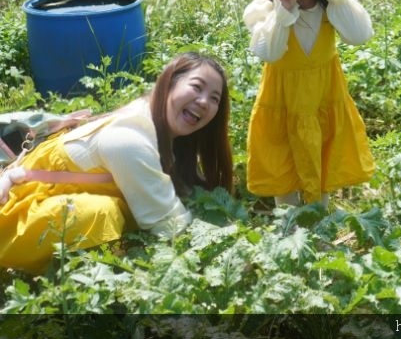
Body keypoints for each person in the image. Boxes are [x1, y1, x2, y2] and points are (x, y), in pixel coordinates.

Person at [0, 52, 233, 273]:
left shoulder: (156, 123)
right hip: (12, 221)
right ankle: (91, 282)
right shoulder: (131, 140)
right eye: (196, 87)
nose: (204, 102)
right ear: (169, 82)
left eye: (214, 98)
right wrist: (227, 249)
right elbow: (169, 225)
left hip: (36, 206)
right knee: (103, 214)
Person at [243, 0, 375, 208]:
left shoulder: (334, 4)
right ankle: (289, 229)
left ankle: (321, 224)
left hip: (322, 95)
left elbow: (360, 35)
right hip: (284, 99)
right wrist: (283, 12)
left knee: (323, 157)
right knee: (284, 162)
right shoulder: (264, 9)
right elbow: (269, 52)